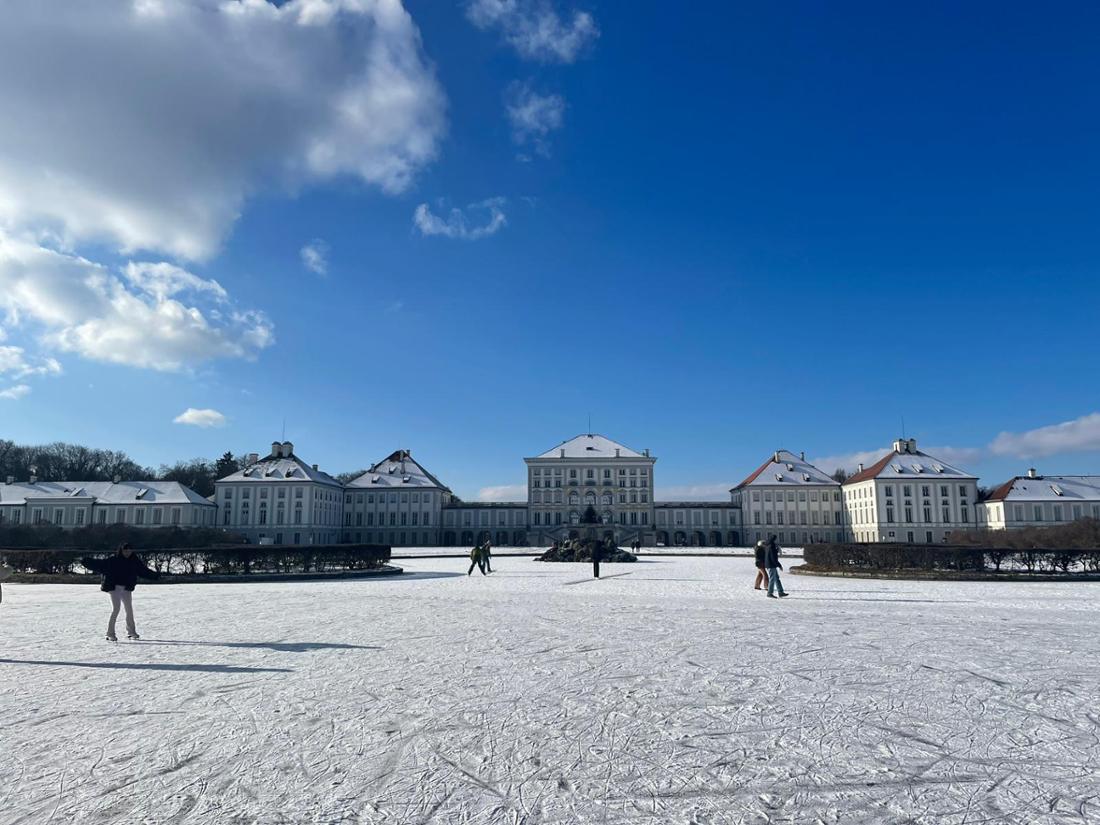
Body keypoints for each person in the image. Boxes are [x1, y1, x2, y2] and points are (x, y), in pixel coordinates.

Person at [81, 543, 161, 640]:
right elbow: (100, 564)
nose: (127, 552)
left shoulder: (134, 561)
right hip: (114, 588)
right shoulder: (113, 560)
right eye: (125, 550)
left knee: (129, 610)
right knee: (116, 609)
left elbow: (143, 571)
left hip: (126, 588)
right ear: (121, 551)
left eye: (129, 550)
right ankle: (110, 633)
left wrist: (156, 576)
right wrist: (86, 561)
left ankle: (131, 632)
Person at [764, 534, 788, 599]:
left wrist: (776, 550)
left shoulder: (768, 545)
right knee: (772, 579)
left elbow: (771, 554)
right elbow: (773, 557)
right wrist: (779, 565)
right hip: (771, 565)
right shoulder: (772, 545)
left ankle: (780, 592)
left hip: (769, 564)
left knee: (776, 579)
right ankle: (769, 593)